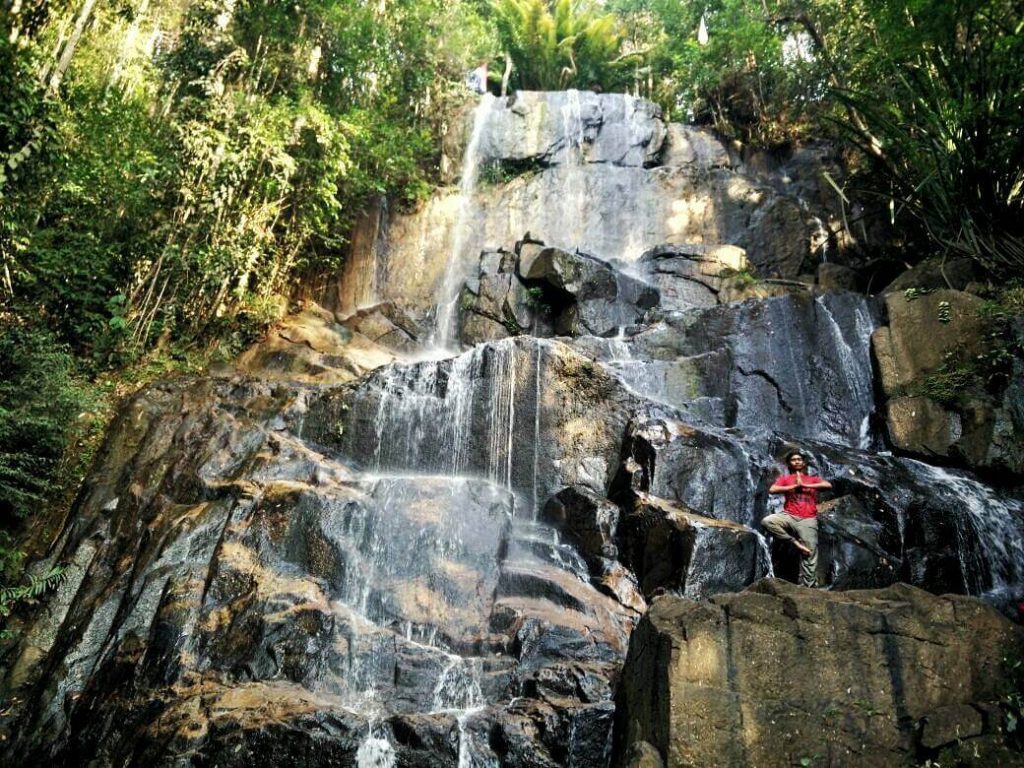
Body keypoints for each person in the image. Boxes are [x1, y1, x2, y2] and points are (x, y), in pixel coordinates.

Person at [763, 449, 832, 588]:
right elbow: (772, 490)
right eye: (794, 460)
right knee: (768, 521)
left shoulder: (812, 478)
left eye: (799, 459)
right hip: (789, 515)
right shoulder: (785, 479)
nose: (797, 461)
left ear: (804, 462)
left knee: (810, 553)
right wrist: (794, 486)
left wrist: (805, 485)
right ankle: (795, 543)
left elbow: (827, 485)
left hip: (808, 518)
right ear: (789, 463)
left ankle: (809, 586)